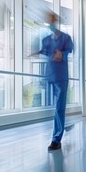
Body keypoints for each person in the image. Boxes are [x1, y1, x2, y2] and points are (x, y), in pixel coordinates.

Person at [32, 12, 74, 151]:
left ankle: (56, 139)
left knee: (59, 108)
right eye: (47, 20)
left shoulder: (66, 38)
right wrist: (35, 52)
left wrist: (62, 54)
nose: (49, 22)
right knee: (52, 109)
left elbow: (69, 50)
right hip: (50, 76)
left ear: (56, 20)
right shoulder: (46, 39)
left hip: (61, 77)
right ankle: (64, 124)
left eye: (51, 19)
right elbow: (44, 51)